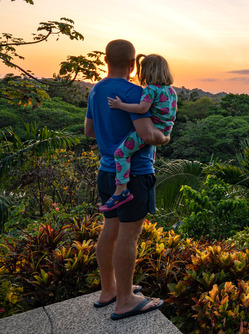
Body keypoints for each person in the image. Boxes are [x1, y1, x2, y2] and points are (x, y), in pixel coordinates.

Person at [84, 39, 166, 320]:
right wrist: (164, 136)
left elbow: (89, 131)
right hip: (135, 174)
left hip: (107, 172)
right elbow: (147, 135)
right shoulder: (134, 92)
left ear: (106, 61)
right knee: (128, 237)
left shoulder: (96, 91)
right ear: (133, 65)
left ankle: (109, 290)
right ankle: (126, 301)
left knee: (110, 230)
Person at [101, 54, 178, 212]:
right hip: (165, 129)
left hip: (152, 129)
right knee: (148, 149)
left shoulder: (150, 90)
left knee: (121, 153)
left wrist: (120, 105)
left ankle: (121, 189)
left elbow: (142, 109)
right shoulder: (171, 91)